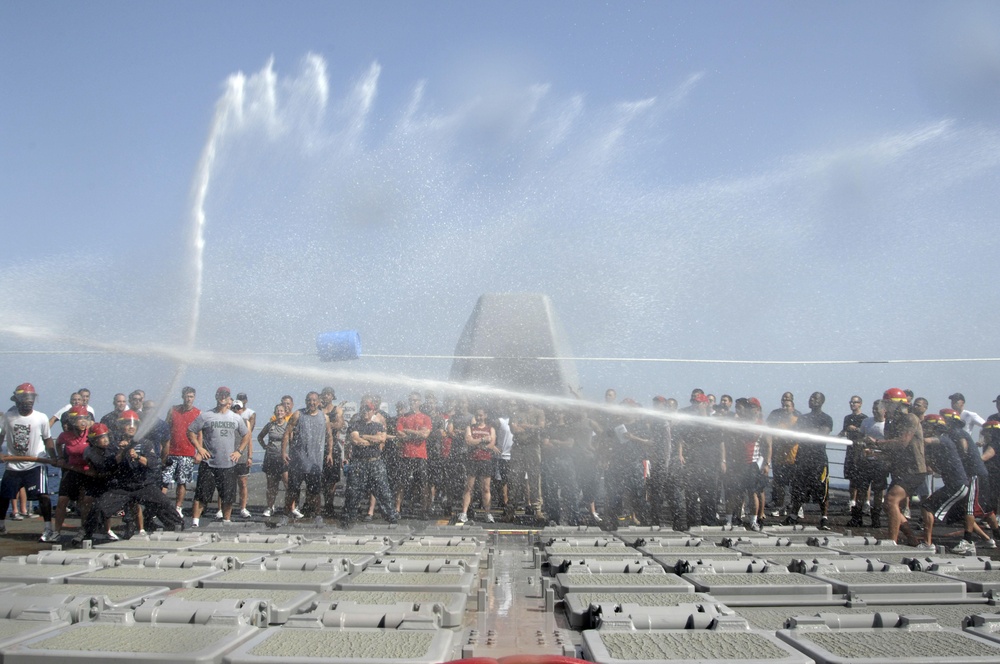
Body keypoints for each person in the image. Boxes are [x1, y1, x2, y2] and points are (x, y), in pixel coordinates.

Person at [73, 411, 183, 544]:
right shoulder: (112, 445)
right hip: (121, 487)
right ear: (120, 426)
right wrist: (121, 453)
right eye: (126, 424)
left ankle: (177, 528)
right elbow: (108, 465)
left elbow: (154, 464)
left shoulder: (146, 443)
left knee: (165, 504)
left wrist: (137, 457)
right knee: (99, 508)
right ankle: (85, 534)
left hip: (142, 485)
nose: (131, 427)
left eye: (133, 424)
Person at [0, 383, 57, 540]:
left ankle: (48, 528)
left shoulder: (41, 417)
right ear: (17, 400)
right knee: (4, 496)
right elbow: (1, 435)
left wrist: (53, 457)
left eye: (31, 398)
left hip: (35, 465)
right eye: (25, 398)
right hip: (13, 465)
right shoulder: (9, 417)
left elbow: (48, 439)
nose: (28, 401)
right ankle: (1, 526)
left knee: (43, 496)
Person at [870, 388, 926, 545]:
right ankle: (912, 539)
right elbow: (892, 451)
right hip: (901, 469)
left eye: (888, 404)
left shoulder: (910, 418)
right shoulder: (891, 423)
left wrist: (877, 443)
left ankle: (891, 542)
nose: (885, 408)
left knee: (891, 499)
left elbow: (902, 443)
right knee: (889, 506)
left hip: (914, 470)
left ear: (898, 405)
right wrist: (875, 453)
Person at [188, 387, 250, 527]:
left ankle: (226, 521)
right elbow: (191, 431)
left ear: (229, 398)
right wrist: (199, 448)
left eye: (226, 395)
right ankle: (195, 522)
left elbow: (246, 434)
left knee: (227, 496)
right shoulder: (206, 415)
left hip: (228, 464)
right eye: (220, 395)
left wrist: (239, 451)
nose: (223, 397)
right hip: (209, 463)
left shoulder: (235, 417)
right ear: (216, 396)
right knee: (201, 495)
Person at [340, 398, 398, 529]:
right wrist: (372, 440)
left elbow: (382, 439)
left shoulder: (378, 425)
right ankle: (348, 519)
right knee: (353, 492)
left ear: (373, 411)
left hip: (375, 463)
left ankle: (391, 518)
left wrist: (364, 437)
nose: (365, 412)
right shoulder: (354, 424)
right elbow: (356, 440)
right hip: (358, 463)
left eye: (368, 409)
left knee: (384, 492)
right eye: (363, 409)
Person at [917, 413, 968, 551]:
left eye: (926, 427)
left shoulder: (944, 439)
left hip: (957, 485)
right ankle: (983, 540)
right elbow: (933, 468)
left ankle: (927, 544)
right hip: (957, 485)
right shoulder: (940, 445)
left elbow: (925, 441)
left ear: (935, 428)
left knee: (927, 506)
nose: (924, 429)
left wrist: (911, 437)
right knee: (962, 515)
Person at [282, 391, 334, 521]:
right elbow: (287, 433)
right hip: (297, 462)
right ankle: (285, 515)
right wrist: (283, 452)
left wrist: (330, 453)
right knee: (292, 490)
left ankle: (317, 515)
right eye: (309, 400)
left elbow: (329, 436)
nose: (312, 403)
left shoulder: (324, 417)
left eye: (314, 400)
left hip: (315, 462)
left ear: (319, 402)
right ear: (306, 401)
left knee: (315, 491)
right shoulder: (298, 414)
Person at [787, 392, 833, 529]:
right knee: (798, 488)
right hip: (802, 458)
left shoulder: (826, 418)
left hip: (818, 459)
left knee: (822, 488)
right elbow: (795, 433)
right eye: (810, 398)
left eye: (815, 398)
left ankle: (824, 517)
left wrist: (807, 431)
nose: (811, 400)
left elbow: (822, 434)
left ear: (821, 402)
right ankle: (793, 515)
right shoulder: (803, 418)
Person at [51, 406, 93, 537]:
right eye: (78, 419)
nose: (82, 422)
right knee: (62, 500)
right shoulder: (65, 436)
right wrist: (61, 457)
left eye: (84, 419)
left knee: (85, 501)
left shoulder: (91, 433)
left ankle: (83, 529)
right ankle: (56, 531)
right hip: (71, 470)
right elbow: (57, 443)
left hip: (87, 472)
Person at [161, 387, 200, 517]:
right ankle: (159, 505)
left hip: (187, 453)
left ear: (194, 398)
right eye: (186, 396)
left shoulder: (198, 413)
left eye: (191, 396)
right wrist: (163, 449)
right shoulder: (173, 410)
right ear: (182, 396)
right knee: (164, 480)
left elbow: (200, 433)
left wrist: (199, 452)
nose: (188, 399)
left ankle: (178, 507)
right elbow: (165, 429)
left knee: (182, 482)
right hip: (171, 452)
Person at [851, 400, 889, 528]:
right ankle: (857, 517)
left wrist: (876, 443)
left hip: (880, 462)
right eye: (873, 408)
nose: (874, 411)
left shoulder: (888, 425)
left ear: (884, 410)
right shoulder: (866, 422)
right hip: (865, 461)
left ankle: (876, 518)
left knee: (878, 491)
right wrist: (857, 455)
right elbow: (859, 438)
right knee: (861, 489)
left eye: (877, 408)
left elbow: (890, 444)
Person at [394, 391, 432, 519]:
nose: (413, 402)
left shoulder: (426, 417)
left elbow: (424, 435)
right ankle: (397, 510)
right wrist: (416, 433)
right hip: (405, 455)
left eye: (415, 400)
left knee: (423, 484)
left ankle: (424, 510)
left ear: (420, 402)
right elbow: (399, 434)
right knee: (401, 483)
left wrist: (408, 431)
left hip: (420, 456)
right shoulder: (402, 417)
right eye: (411, 400)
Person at [459, 406, 498, 524]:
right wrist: (482, 440)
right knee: (469, 488)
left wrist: (477, 443)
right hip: (473, 460)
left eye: (481, 415)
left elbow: (491, 445)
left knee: (486, 488)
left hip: (486, 460)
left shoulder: (491, 428)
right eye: (477, 415)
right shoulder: (469, 428)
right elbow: (468, 441)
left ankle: (488, 513)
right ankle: (464, 513)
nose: (479, 417)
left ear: (485, 416)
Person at [768, 392, 801, 517]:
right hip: (779, 455)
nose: (785, 407)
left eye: (788, 405)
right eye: (784, 403)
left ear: (793, 406)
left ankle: (796, 507)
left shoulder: (798, 418)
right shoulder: (777, 417)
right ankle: (780, 506)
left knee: (794, 484)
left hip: (794, 456)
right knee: (780, 483)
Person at [257, 403, 289, 517]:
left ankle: (290, 507)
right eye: (277, 411)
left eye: (281, 411)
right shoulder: (270, 425)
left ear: (285, 413)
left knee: (287, 483)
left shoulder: (288, 426)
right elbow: (260, 437)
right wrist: (264, 446)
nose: (279, 413)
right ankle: (270, 507)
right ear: (274, 412)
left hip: (284, 459)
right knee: (271, 485)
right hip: (271, 458)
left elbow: (294, 440)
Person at [318, 387, 344, 517]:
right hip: (318, 446)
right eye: (324, 394)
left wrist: (325, 424)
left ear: (333, 396)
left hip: (332, 447)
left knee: (332, 479)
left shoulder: (337, 409)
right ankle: (316, 504)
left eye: (329, 394)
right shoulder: (318, 409)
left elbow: (339, 425)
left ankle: (329, 504)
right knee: (319, 478)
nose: (326, 397)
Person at [231, 397, 254, 518]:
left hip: (242, 457)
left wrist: (250, 456)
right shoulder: (228, 421)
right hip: (229, 457)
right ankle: (221, 509)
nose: (236, 410)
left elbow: (249, 440)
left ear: (242, 410)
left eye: (238, 408)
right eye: (234, 408)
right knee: (227, 484)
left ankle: (243, 508)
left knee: (243, 484)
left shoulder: (246, 422)